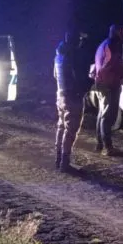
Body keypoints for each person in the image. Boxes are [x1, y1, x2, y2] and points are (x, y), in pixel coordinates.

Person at [54, 30, 88, 172]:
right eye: (79, 39)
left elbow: (55, 75)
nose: (81, 42)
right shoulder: (73, 56)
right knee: (71, 129)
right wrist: (87, 85)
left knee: (61, 126)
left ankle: (59, 159)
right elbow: (79, 78)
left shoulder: (59, 55)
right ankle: (65, 163)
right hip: (72, 96)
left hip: (60, 94)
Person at [91, 24, 123, 156]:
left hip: (102, 83)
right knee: (106, 116)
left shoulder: (104, 43)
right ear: (116, 32)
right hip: (108, 84)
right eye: (121, 31)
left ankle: (100, 144)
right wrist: (119, 76)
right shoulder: (111, 45)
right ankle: (107, 147)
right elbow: (110, 64)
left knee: (102, 114)